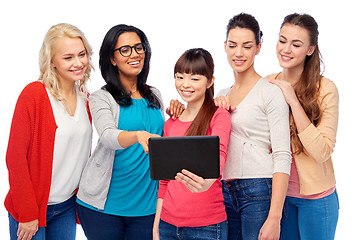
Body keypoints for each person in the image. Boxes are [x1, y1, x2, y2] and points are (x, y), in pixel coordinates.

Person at [76, 24, 168, 240]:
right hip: (103, 208)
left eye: (139, 47)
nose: (134, 54)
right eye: (125, 50)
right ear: (112, 58)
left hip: (146, 207)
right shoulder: (102, 97)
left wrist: (179, 113)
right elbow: (108, 136)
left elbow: (164, 138)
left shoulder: (154, 95)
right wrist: (137, 135)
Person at [5, 23, 93, 240]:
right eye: (68, 57)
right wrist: (27, 213)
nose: (78, 63)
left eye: (82, 54)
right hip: (31, 208)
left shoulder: (84, 96)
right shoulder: (34, 95)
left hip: (66, 207)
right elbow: (15, 158)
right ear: (52, 61)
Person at [214, 13, 292, 240]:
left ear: (258, 48)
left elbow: (282, 154)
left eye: (247, 46)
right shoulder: (221, 95)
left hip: (259, 189)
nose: (239, 53)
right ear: (225, 47)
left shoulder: (270, 91)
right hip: (225, 190)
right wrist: (215, 108)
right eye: (233, 45)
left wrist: (275, 217)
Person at [267, 13, 339, 240]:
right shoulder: (267, 83)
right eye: (282, 40)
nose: (286, 49)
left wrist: (292, 100)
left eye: (296, 44)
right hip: (278, 198)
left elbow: (322, 151)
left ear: (310, 49)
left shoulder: (325, 89)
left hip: (317, 201)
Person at [153, 48, 231, 240]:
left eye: (195, 79)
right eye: (180, 77)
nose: (185, 85)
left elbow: (220, 154)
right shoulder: (170, 123)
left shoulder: (219, 116)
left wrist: (207, 182)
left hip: (207, 227)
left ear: (210, 81)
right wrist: (156, 226)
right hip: (168, 225)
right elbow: (164, 181)